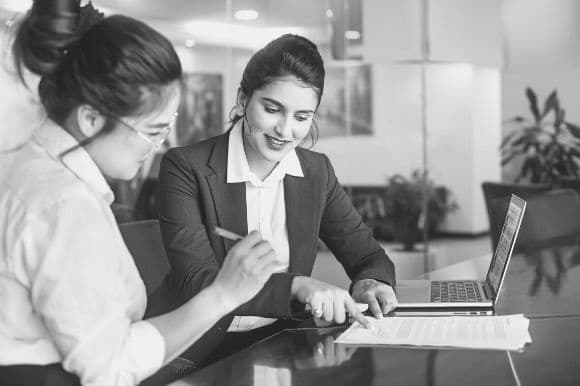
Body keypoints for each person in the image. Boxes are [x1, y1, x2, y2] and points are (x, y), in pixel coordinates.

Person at [0, 1, 284, 385]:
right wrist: (223, 294)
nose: (156, 147)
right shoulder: (64, 205)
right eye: (152, 131)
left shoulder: (28, 169)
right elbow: (110, 368)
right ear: (90, 118)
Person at [157, 34, 398, 362]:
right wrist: (298, 286)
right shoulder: (186, 167)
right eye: (272, 109)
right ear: (243, 100)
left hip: (283, 343)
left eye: (302, 117)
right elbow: (197, 281)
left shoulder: (316, 172)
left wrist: (370, 283)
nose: (285, 130)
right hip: (198, 347)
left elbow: (367, 255)